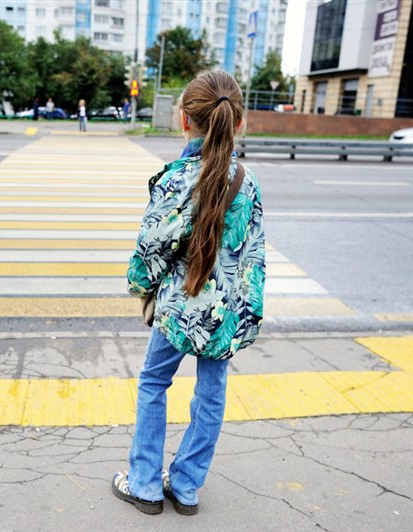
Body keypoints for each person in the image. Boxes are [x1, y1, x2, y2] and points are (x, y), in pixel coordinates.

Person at [111, 70, 265, 516]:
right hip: (224, 314)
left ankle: (143, 484)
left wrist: (139, 287)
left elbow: (151, 251)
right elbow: (253, 258)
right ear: (238, 123)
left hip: (180, 309)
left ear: (184, 120)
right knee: (212, 391)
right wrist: (244, 315)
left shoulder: (177, 179)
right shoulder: (248, 181)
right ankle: (186, 486)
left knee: (154, 381)